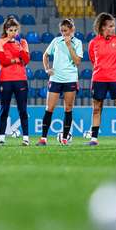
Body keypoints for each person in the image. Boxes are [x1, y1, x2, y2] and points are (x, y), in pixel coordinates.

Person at [87, 12, 116, 146]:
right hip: (99, 79)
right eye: (110, 26)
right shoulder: (93, 43)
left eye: (113, 26)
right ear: (102, 27)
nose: (113, 28)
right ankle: (94, 139)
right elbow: (93, 60)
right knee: (96, 108)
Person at [40, 18, 82, 146]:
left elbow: (77, 62)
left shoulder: (77, 43)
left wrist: (69, 45)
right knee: (49, 108)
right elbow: (45, 55)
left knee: (68, 108)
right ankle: (43, 138)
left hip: (70, 79)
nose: (64, 33)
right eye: (62, 31)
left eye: (66, 30)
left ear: (72, 30)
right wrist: (47, 69)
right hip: (56, 79)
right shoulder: (56, 41)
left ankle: (64, 139)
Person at [0, 16, 30, 146]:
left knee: (23, 110)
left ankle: (26, 138)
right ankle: (2, 138)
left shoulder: (23, 43)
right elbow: (2, 60)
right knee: (4, 109)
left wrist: (21, 49)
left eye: (15, 30)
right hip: (5, 80)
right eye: (10, 30)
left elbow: (26, 60)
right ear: (6, 30)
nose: (13, 33)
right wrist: (15, 60)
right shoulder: (0, 42)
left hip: (21, 79)